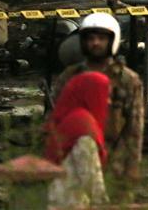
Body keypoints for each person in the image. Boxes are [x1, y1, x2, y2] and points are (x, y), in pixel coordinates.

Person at [52, 13, 145, 180]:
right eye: (91, 38)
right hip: (73, 158)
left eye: (101, 38)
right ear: (83, 42)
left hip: (113, 162)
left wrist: (131, 167)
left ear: (111, 41)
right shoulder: (69, 77)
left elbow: (134, 127)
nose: (95, 43)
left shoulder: (127, 80)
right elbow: (54, 119)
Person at [45, 72, 111, 208]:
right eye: (105, 94)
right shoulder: (84, 128)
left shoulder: (70, 120)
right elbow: (92, 180)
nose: (108, 101)